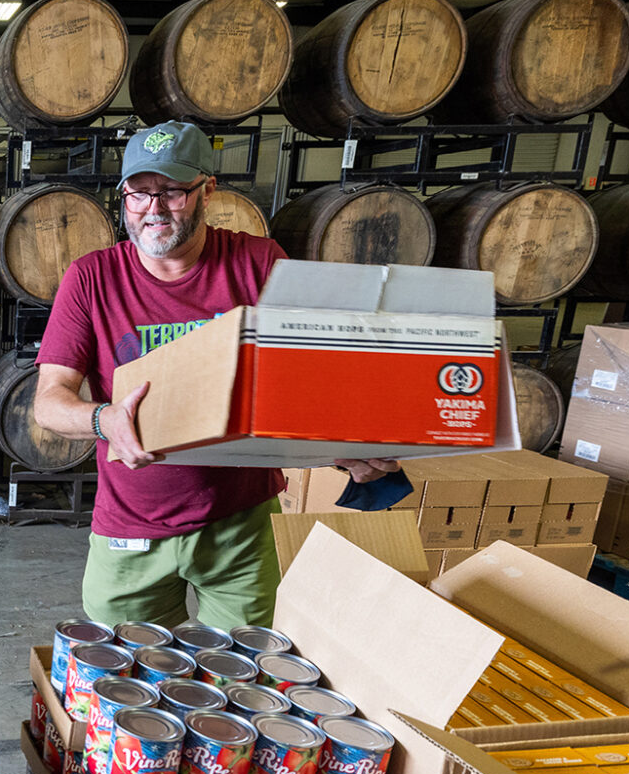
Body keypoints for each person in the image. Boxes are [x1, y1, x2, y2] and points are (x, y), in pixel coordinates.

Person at [31, 121, 394, 633]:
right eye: (138, 193)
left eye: (172, 192)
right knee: (124, 681)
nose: (153, 209)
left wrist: (343, 440)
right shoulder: (91, 278)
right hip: (133, 521)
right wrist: (103, 419)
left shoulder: (258, 263)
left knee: (245, 679)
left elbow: (310, 380)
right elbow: (49, 403)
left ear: (207, 190)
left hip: (240, 522)